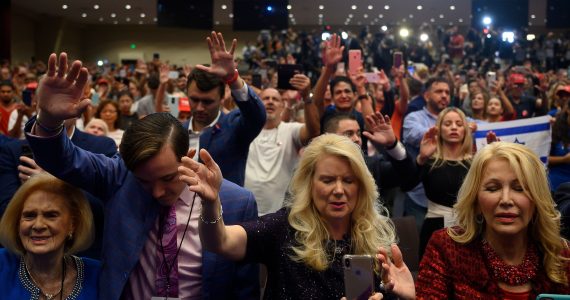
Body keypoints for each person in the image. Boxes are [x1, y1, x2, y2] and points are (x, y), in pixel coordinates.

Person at [25, 49, 260, 299]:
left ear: (188, 156)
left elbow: (245, 288)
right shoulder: (118, 178)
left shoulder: (237, 203)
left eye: (168, 178)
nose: (157, 192)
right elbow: (64, 159)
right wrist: (49, 120)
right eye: (144, 181)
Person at [185, 134, 416, 300]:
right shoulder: (284, 228)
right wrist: (211, 203)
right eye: (327, 180)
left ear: (361, 186)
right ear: (309, 184)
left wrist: (408, 298)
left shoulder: (375, 237)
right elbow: (220, 241)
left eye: (348, 180)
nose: (338, 190)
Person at [416, 142, 570, 298]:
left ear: (538, 200)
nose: (506, 200)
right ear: (476, 200)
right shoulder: (446, 247)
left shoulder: (561, 255)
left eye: (519, 188)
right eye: (492, 188)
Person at [182, 32, 266, 186]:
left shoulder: (233, 126)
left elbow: (257, 116)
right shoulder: (176, 130)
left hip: (225, 208)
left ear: (222, 98)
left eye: (208, 102)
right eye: (194, 99)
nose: (199, 107)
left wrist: (233, 80)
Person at [0, 173, 100, 299]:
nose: (38, 225)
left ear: (72, 224)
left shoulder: (98, 276)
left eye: (51, 215)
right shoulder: (2, 265)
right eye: (29, 215)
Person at [244, 77, 320, 216]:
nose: (270, 101)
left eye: (275, 99)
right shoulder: (245, 129)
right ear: (258, 103)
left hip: (279, 216)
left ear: (282, 106)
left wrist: (307, 97)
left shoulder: (291, 130)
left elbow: (313, 131)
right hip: (247, 214)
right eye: (266, 98)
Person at [408, 107, 473, 257]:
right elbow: (408, 185)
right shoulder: (429, 160)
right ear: (438, 129)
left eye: (458, 123)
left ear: (465, 129)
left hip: (469, 228)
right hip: (434, 229)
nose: (454, 127)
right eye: (448, 123)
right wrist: (421, 159)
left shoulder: (475, 162)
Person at [548, 101, 570, 191]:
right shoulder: (554, 129)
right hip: (555, 186)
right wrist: (563, 159)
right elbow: (541, 158)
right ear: (568, 110)